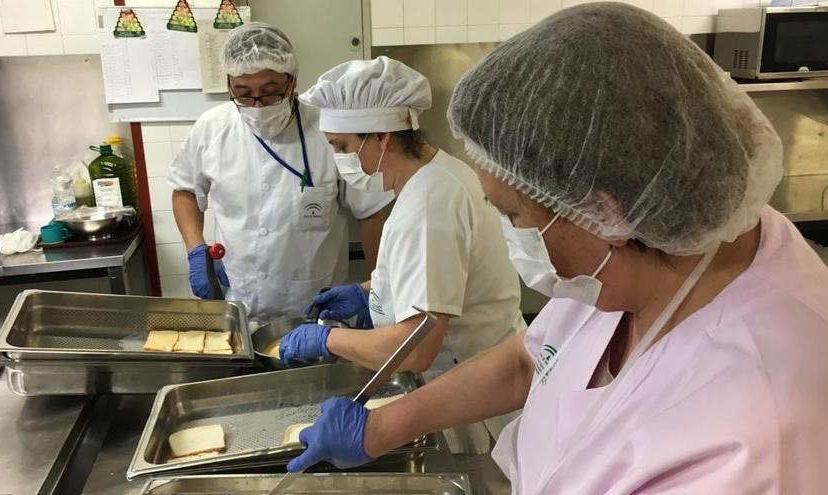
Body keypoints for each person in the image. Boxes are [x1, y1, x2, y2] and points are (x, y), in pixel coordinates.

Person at [281, 4, 828, 493]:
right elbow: (531, 359)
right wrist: (382, 427)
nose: (513, 235)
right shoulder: (643, 255)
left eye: (516, 215)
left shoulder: (746, 439)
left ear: (605, 211)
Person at [279, 57, 527, 457]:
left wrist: (330, 339)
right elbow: (436, 273)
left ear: (381, 137)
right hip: (469, 385)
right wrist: (369, 291)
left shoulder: (429, 205)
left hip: (473, 407)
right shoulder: (434, 177)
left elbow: (416, 348)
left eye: (341, 147)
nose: (339, 159)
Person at [167, 23, 393, 321]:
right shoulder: (211, 128)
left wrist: (376, 291)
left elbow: (370, 214)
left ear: (293, 81)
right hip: (241, 304)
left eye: (271, 92)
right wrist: (195, 249)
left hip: (318, 309)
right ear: (228, 84)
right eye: (243, 93)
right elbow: (184, 190)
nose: (258, 105)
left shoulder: (330, 130)